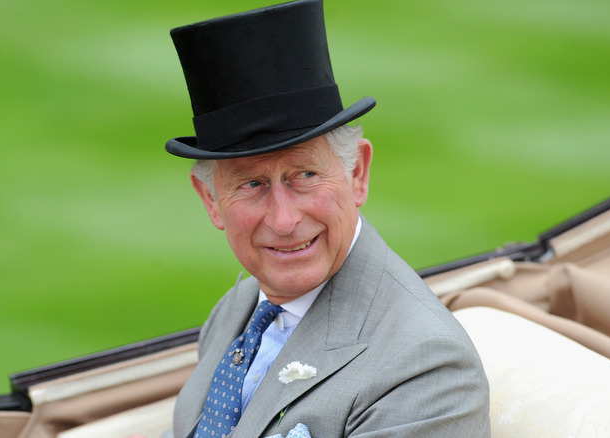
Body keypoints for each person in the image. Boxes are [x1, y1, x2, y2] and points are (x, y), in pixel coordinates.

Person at [164, 1, 490, 437]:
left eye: (305, 175)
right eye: (251, 184)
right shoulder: (238, 308)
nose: (283, 220)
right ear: (210, 199)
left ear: (357, 173)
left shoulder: (428, 369)